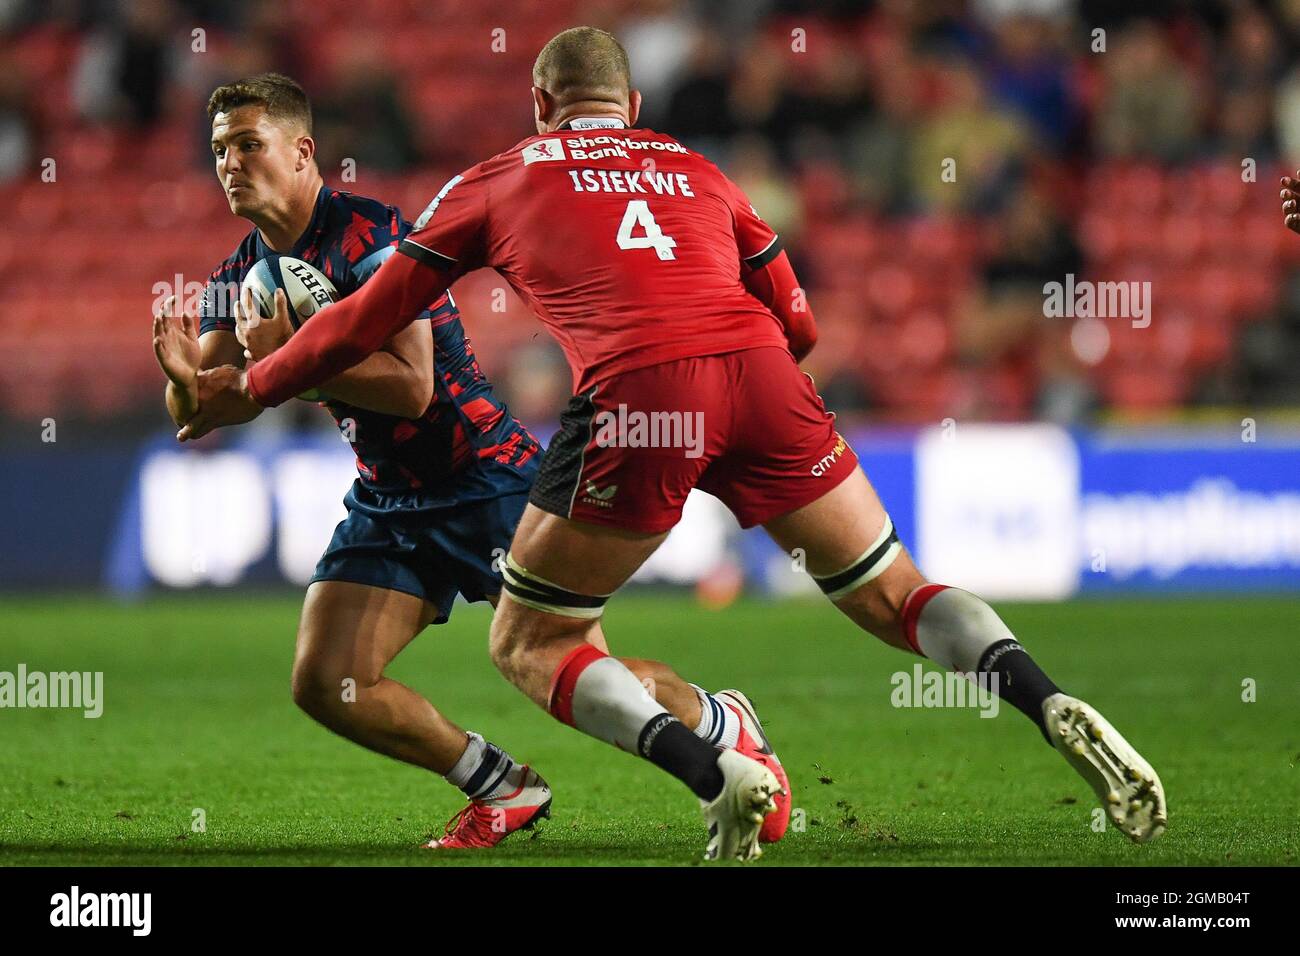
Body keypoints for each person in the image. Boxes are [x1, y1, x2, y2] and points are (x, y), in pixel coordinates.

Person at [182, 34, 1166, 862]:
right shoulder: (694, 166)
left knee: (534, 641)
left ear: (538, 105)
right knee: (894, 588)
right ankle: (1042, 696)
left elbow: (363, 321)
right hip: (762, 372)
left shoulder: (496, 177)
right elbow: (799, 314)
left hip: (640, 394)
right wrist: (759, 398)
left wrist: (253, 384)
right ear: (633, 103)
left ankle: (712, 763)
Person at [154, 71, 789, 851]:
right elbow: (207, 408)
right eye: (220, 149)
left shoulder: (375, 235)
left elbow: (413, 388)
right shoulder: (232, 277)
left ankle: (719, 718)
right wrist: (187, 386)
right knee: (327, 682)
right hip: (390, 497)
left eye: (249, 145)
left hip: (487, 477)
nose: (230, 164)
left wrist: (290, 363)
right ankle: (503, 787)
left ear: (302, 151)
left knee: (569, 671)